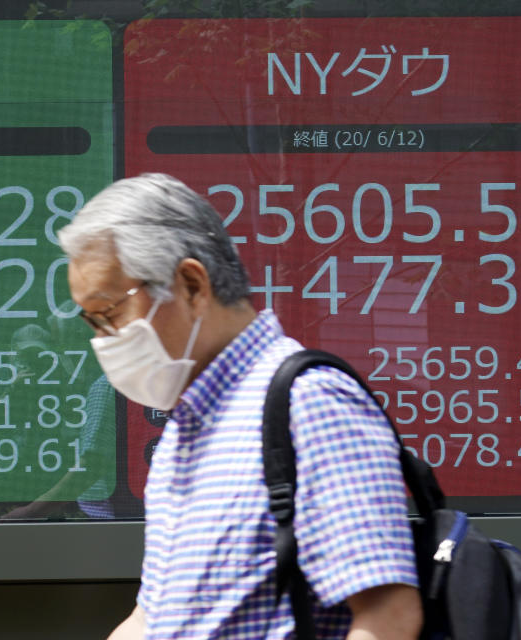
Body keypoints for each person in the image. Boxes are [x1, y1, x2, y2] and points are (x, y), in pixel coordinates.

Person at [57, 173, 422, 640]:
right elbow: (153, 619)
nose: (103, 341)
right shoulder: (185, 430)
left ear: (191, 285)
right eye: (92, 321)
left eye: (110, 313)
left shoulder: (310, 405)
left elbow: (388, 618)